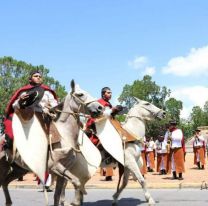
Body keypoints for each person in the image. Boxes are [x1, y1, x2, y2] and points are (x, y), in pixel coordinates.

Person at [3, 70, 58, 149]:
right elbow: (14, 106)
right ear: (30, 79)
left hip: (44, 118)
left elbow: (55, 105)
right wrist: (20, 101)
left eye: (40, 77)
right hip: (26, 117)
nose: (38, 78)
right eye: (36, 76)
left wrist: (52, 109)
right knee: (11, 135)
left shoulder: (47, 92)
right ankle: (9, 150)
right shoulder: (24, 91)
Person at [85, 86, 122, 181]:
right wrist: (113, 110)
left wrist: (115, 111)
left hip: (107, 126)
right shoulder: (98, 103)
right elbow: (100, 116)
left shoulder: (108, 104)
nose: (110, 94)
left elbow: (109, 116)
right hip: (99, 127)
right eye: (108, 92)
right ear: (103, 94)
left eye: (111, 93)